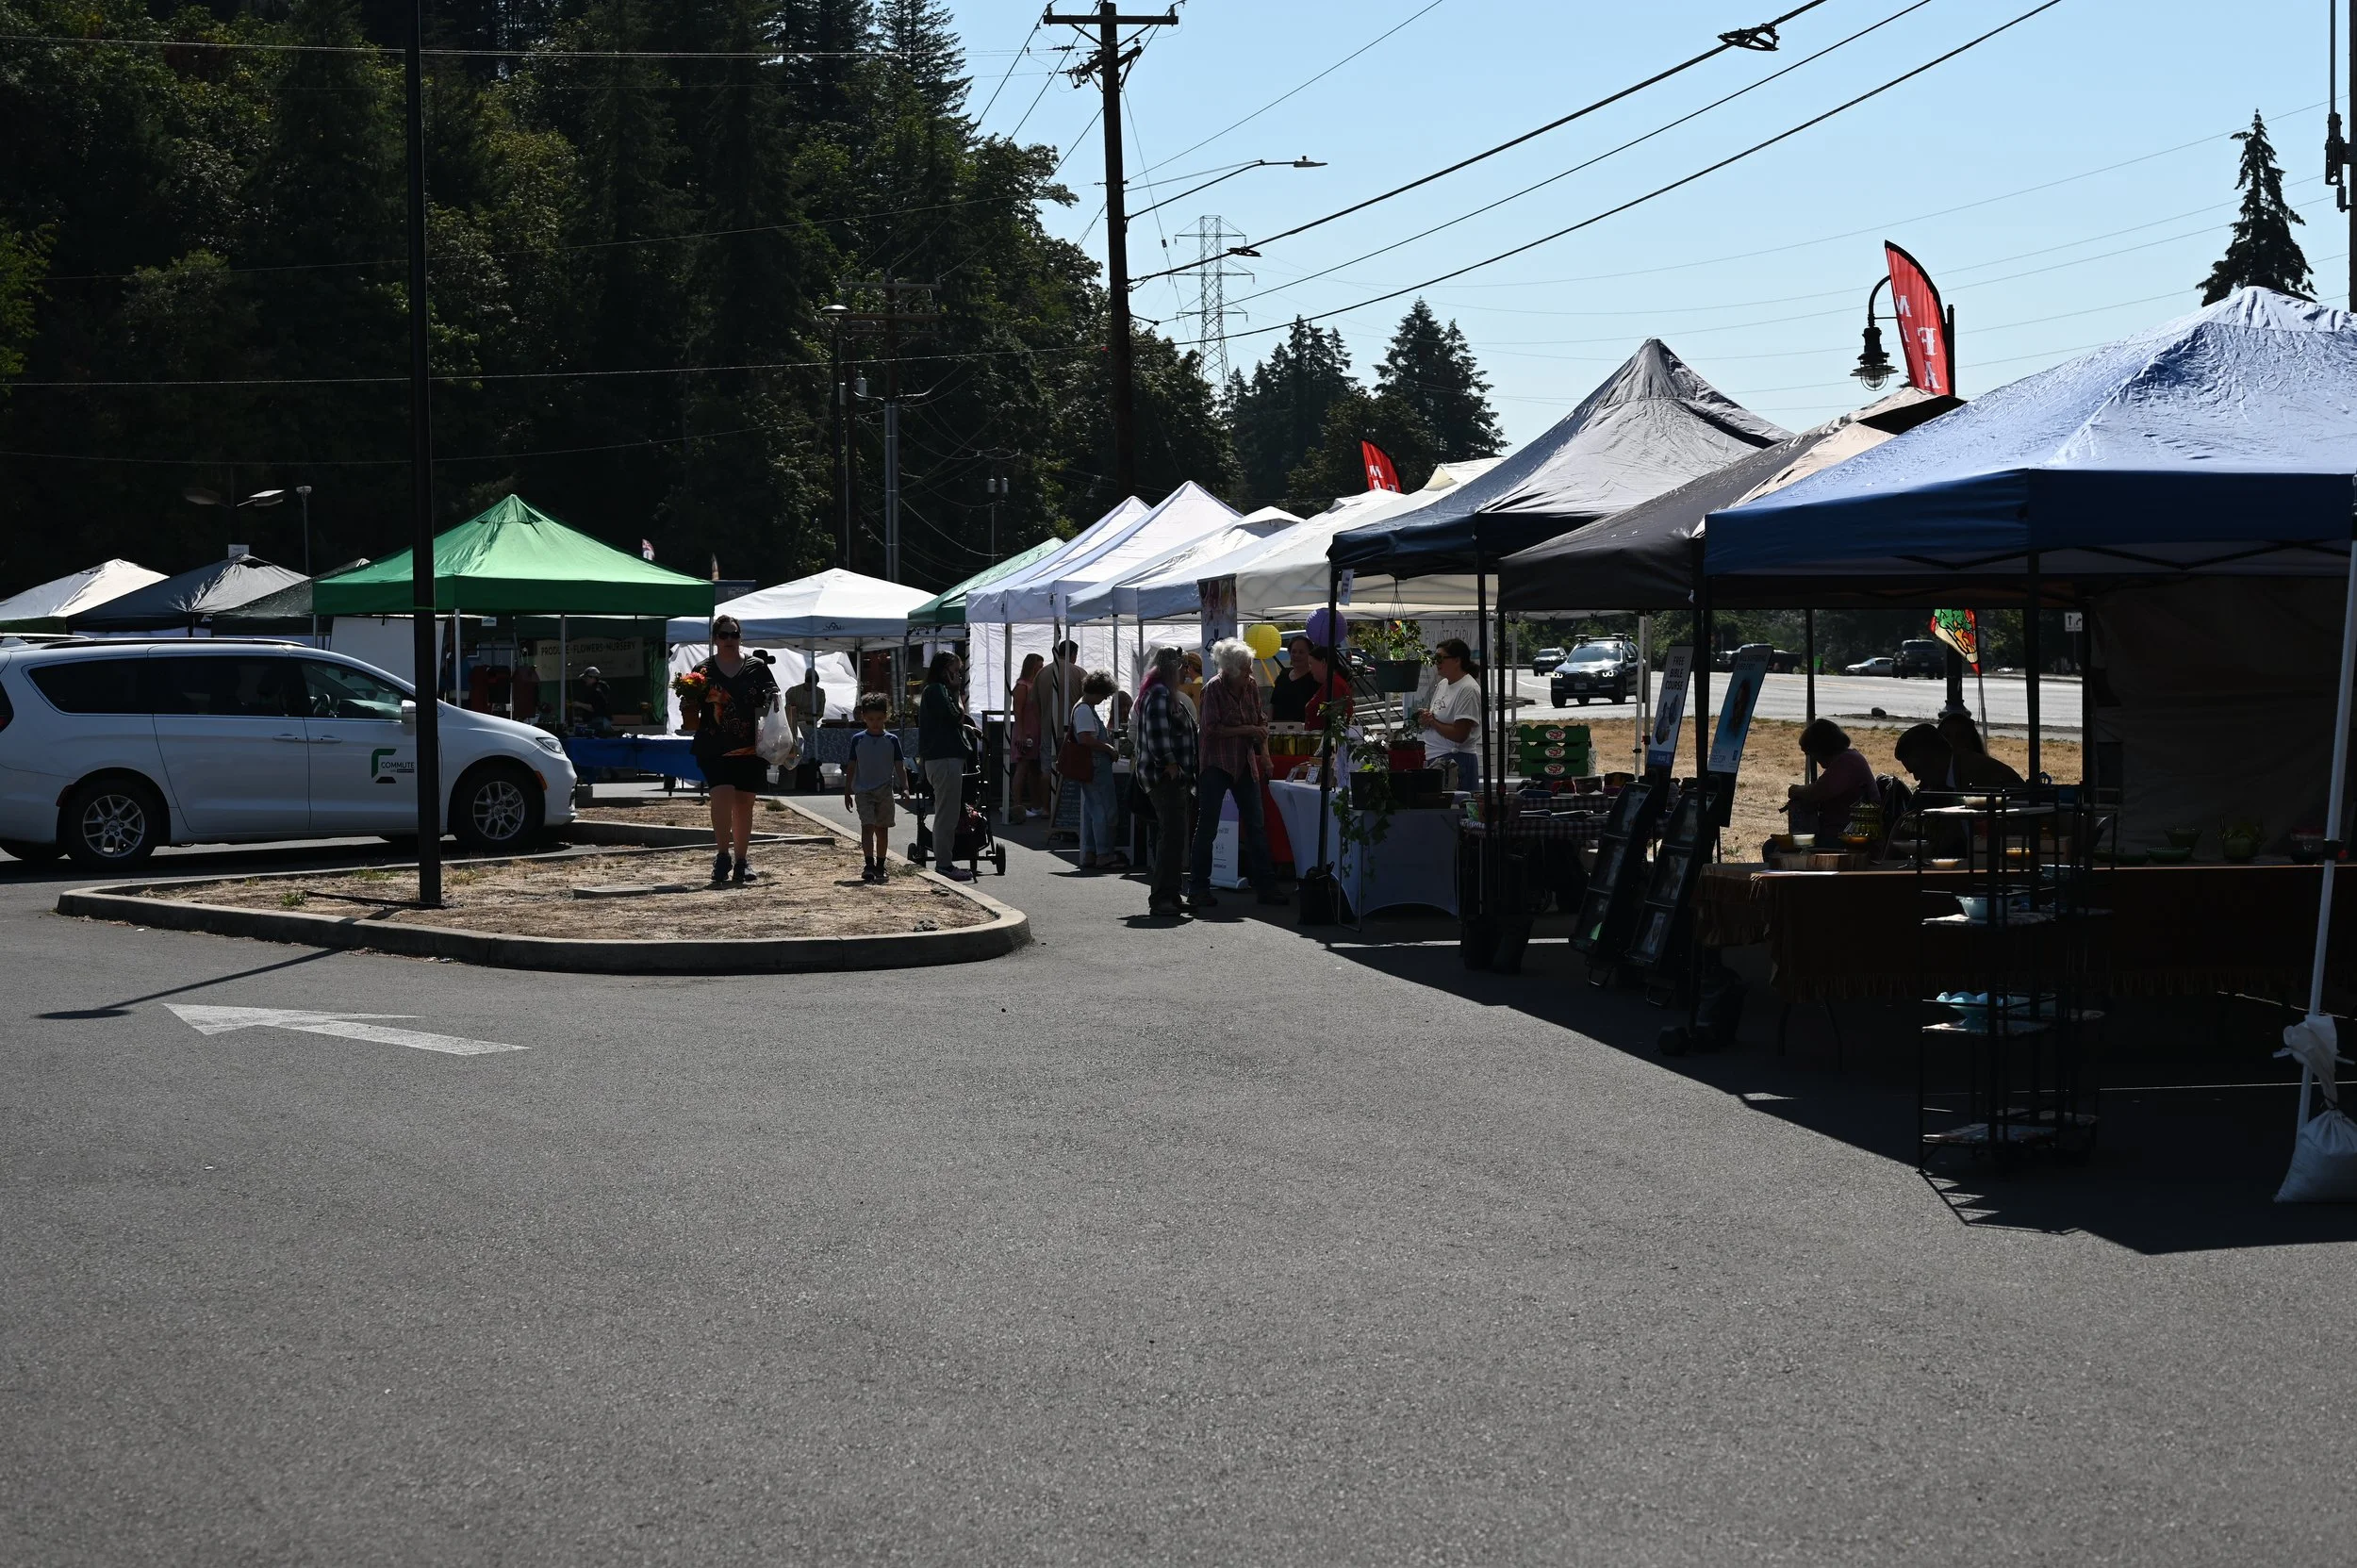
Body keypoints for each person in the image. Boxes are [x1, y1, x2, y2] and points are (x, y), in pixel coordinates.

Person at [1190, 637, 1283, 909]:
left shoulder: (1251, 687)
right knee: (1207, 826)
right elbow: (1210, 730)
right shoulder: (1213, 689)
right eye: (1245, 669)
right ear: (1230, 670)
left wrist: (1264, 755)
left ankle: (1266, 887)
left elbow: (1260, 722)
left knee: (1256, 825)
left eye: (1250, 667)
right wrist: (1248, 731)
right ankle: (1198, 887)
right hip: (1216, 763)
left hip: (1243, 762)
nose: (1250, 673)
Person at [688, 614, 779, 886]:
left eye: (734, 634)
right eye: (724, 635)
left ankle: (741, 860)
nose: (729, 640)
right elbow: (690, 707)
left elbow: (774, 699)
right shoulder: (703, 670)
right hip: (714, 744)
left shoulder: (757, 667)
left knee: (744, 804)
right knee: (721, 795)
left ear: (741, 637)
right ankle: (722, 854)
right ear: (715, 639)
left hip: (750, 746)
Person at [1133, 644, 1198, 917]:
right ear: (1174, 668)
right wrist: (1171, 764)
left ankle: (1171, 892)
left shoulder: (1162, 692)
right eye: (1183, 667)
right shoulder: (1160, 694)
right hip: (1165, 777)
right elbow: (1157, 734)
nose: (1186, 672)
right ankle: (1161, 896)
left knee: (1174, 837)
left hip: (1173, 776)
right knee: (1170, 837)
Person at [918, 651, 977, 882]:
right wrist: (956, 692)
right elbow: (956, 716)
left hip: (940, 759)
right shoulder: (939, 690)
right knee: (947, 814)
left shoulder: (933, 691)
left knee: (946, 812)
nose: (959, 675)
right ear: (945, 671)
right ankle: (944, 864)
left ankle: (945, 861)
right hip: (944, 759)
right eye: (956, 670)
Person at [843, 691, 911, 884]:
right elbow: (851, 766)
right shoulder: (858, 739)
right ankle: (868, 864)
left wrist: (905, 787)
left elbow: (899, 765)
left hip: (884, 790)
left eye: (879, 719)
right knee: (867, 826)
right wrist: (848, 790)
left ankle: (881, 864)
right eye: (871, 719)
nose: (875, 723)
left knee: (882, 828)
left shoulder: (891, 740)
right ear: (863, 717)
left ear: (886, 717)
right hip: (863, 790)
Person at [1781, 718, 1875, 841]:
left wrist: (1795, 790)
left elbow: (1817, 792)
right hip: (1844, 833)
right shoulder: (1848, 759)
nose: (1813, 759)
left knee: (1773, 848)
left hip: (1848, 838)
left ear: (1821, 748)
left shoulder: (1847, 762)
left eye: (1812, 753)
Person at [1070, 670, 1126, 871]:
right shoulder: (1085, 710)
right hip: (1095, 764)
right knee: (1104, 809)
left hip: (1091, 764)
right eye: (1104, 695)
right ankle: (1104, 854)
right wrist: (1108, 748)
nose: (1104, 699)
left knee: (1092, 810)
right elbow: (1085, 738)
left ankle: (1091, 852)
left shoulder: (1082, 707)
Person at [1414, 637, 1483, 786]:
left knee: (1455, 808)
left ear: (1457, 660)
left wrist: (1433, 721)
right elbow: (1438, 716)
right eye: (1435, 658)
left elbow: (1460, 735)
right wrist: (1427, 718)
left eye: (1440, 658)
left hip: (1455, 762)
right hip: (1437, 758)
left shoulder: (1468, 689)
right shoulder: (1443, 684)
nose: (1436, 663)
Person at [1894, 721, 2023, 796]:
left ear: (1933, 757)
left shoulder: (1976, 776)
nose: (1917, 778)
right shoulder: (1948, 776)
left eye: (1918, 770)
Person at [1009, 652, 1047, 819]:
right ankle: (1017, 804)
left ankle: (1035, 805)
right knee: (1022, 767)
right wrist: (1022, 733)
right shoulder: (1022, 686)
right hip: (1025, 731)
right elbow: (1017, 711)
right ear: (1031, 667)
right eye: (1039, 667)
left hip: (1035, 731)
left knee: (1034, 769)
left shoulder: (1034, 685)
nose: (1041, 669)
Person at [1270, 635, 1319, 723]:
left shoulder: (1315, 678)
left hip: (1305, 732)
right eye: (1294, 652)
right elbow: (1273, 704)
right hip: (1279, 730)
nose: (1297, 655)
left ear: (1310, 654)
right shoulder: (1283, 675)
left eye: (1301, 652)